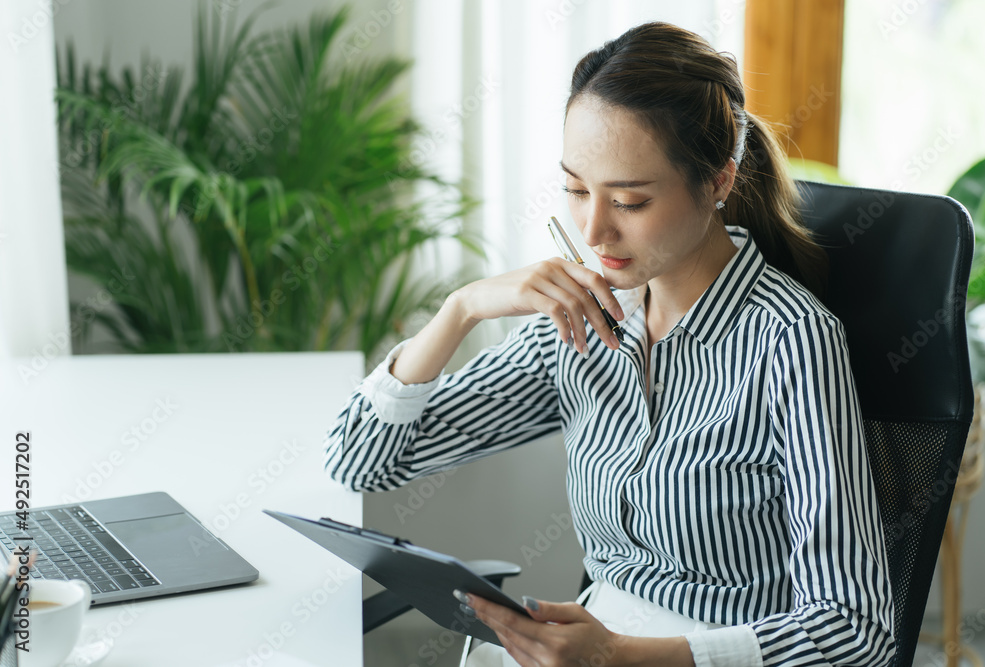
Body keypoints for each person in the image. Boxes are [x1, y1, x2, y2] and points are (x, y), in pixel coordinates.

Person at [324, 21, 896, 667]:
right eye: (574, 190)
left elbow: (854, 631)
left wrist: (621, 653)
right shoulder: (582, 319)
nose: (594, 229)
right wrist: (462, 308)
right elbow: (359, 461)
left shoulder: (791, 341)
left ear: (717, 181)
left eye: (628, 199)